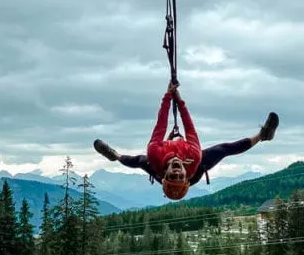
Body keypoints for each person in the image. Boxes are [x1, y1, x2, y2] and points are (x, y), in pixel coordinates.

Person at [93, 82, 279, 200]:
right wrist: (179, 100)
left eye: (172, 176)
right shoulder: (193, 158)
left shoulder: (155, 157)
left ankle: (114, 155)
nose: (176, 172)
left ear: (164, 175)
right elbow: (189, 126)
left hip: (163, 158)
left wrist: (168, 96)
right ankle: (263, 136)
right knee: (223, 149)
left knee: (138, 161)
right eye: (180, 176)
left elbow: (160, 125)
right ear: (185, 175)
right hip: (194, 167)